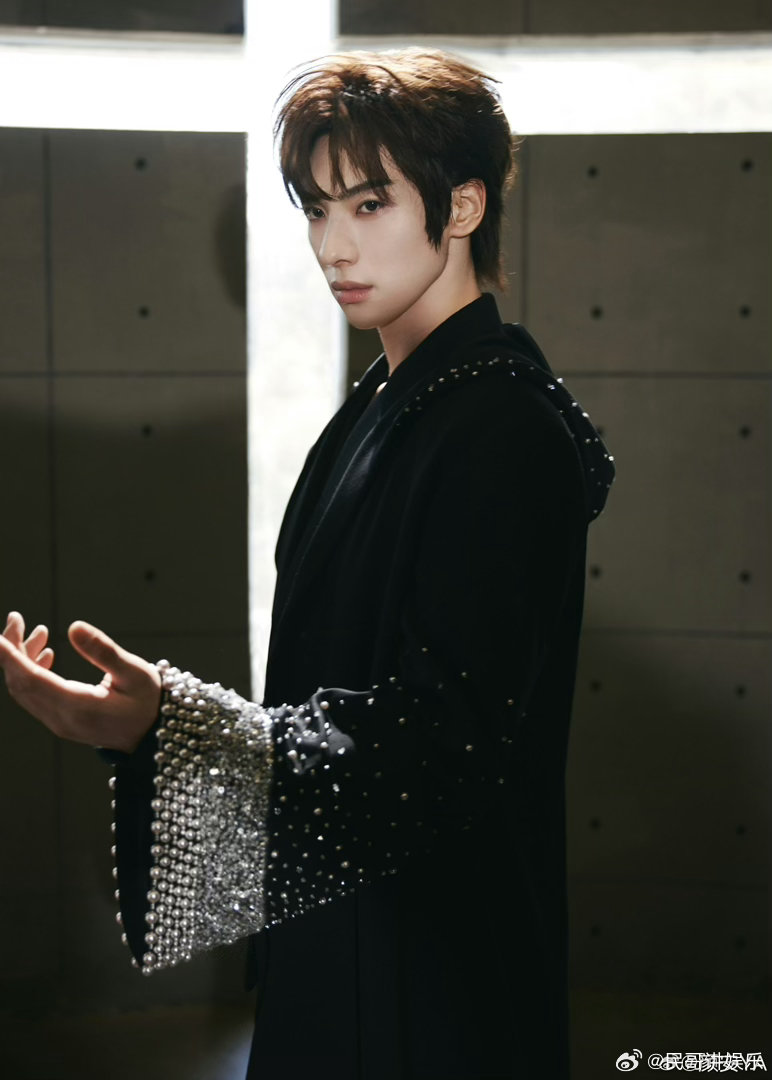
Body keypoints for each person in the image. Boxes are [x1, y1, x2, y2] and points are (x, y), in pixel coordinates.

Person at [0, 49, 614, 1080]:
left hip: (435, 974)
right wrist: (154, 726)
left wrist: (173, 722)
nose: (334, 245)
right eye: (318, 210)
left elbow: (443, 733)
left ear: (463, 207)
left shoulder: (501, 428)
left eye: (370, 204)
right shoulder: (387, 403)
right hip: (346, 935)